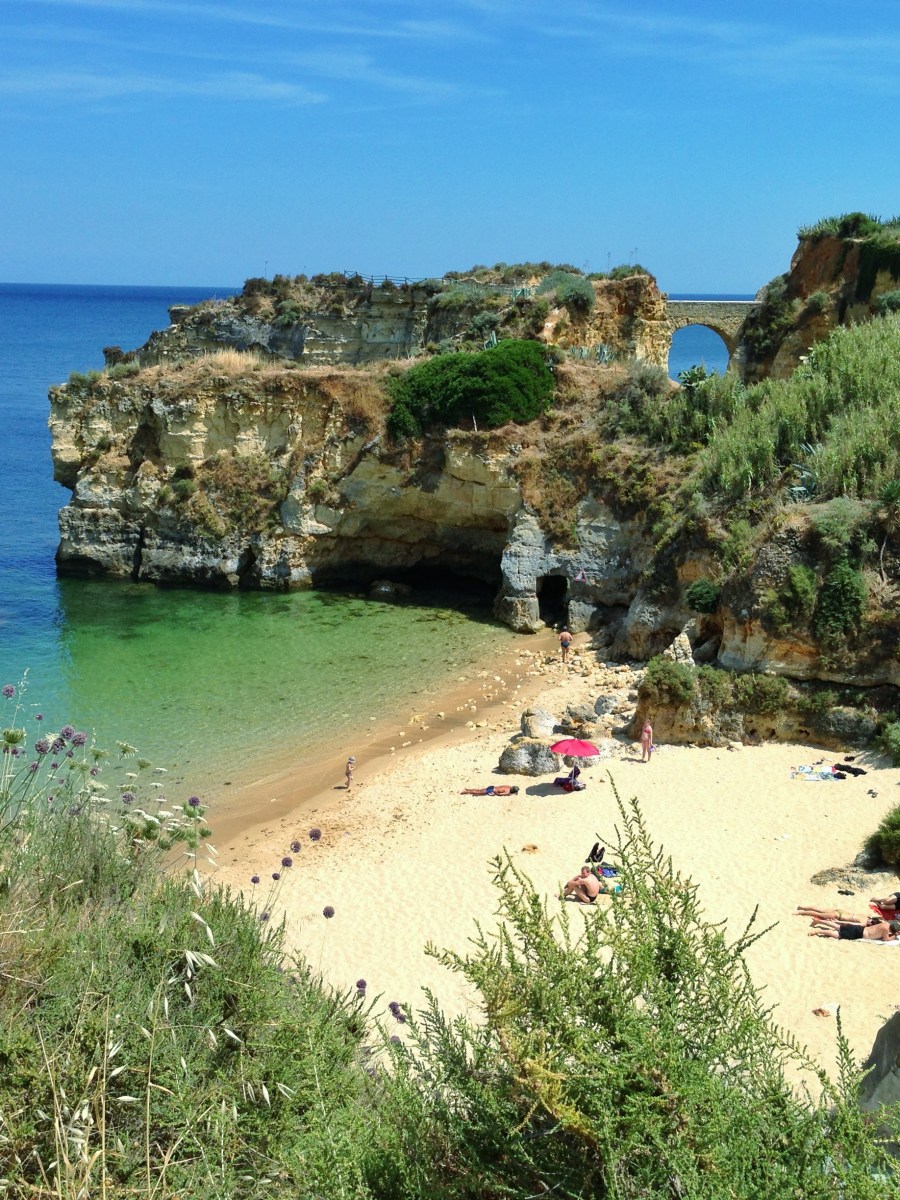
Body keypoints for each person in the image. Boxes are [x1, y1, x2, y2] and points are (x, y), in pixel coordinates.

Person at [795, 893, 900, 923]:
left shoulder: (866, 916)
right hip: (838, 915)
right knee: (818, 914)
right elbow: (847, 923)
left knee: (819, 909)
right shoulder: (863, 921)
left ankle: (802, 907)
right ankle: (800, 912)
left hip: (841, 911)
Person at [808, 918, 900, 941]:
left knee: (838, 927)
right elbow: (886, 939)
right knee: (838, 935)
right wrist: (895, 935)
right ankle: (818, 931)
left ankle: (820, 921)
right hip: (860, 934)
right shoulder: (886, 930)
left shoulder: (884, 923)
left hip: (860, 928)